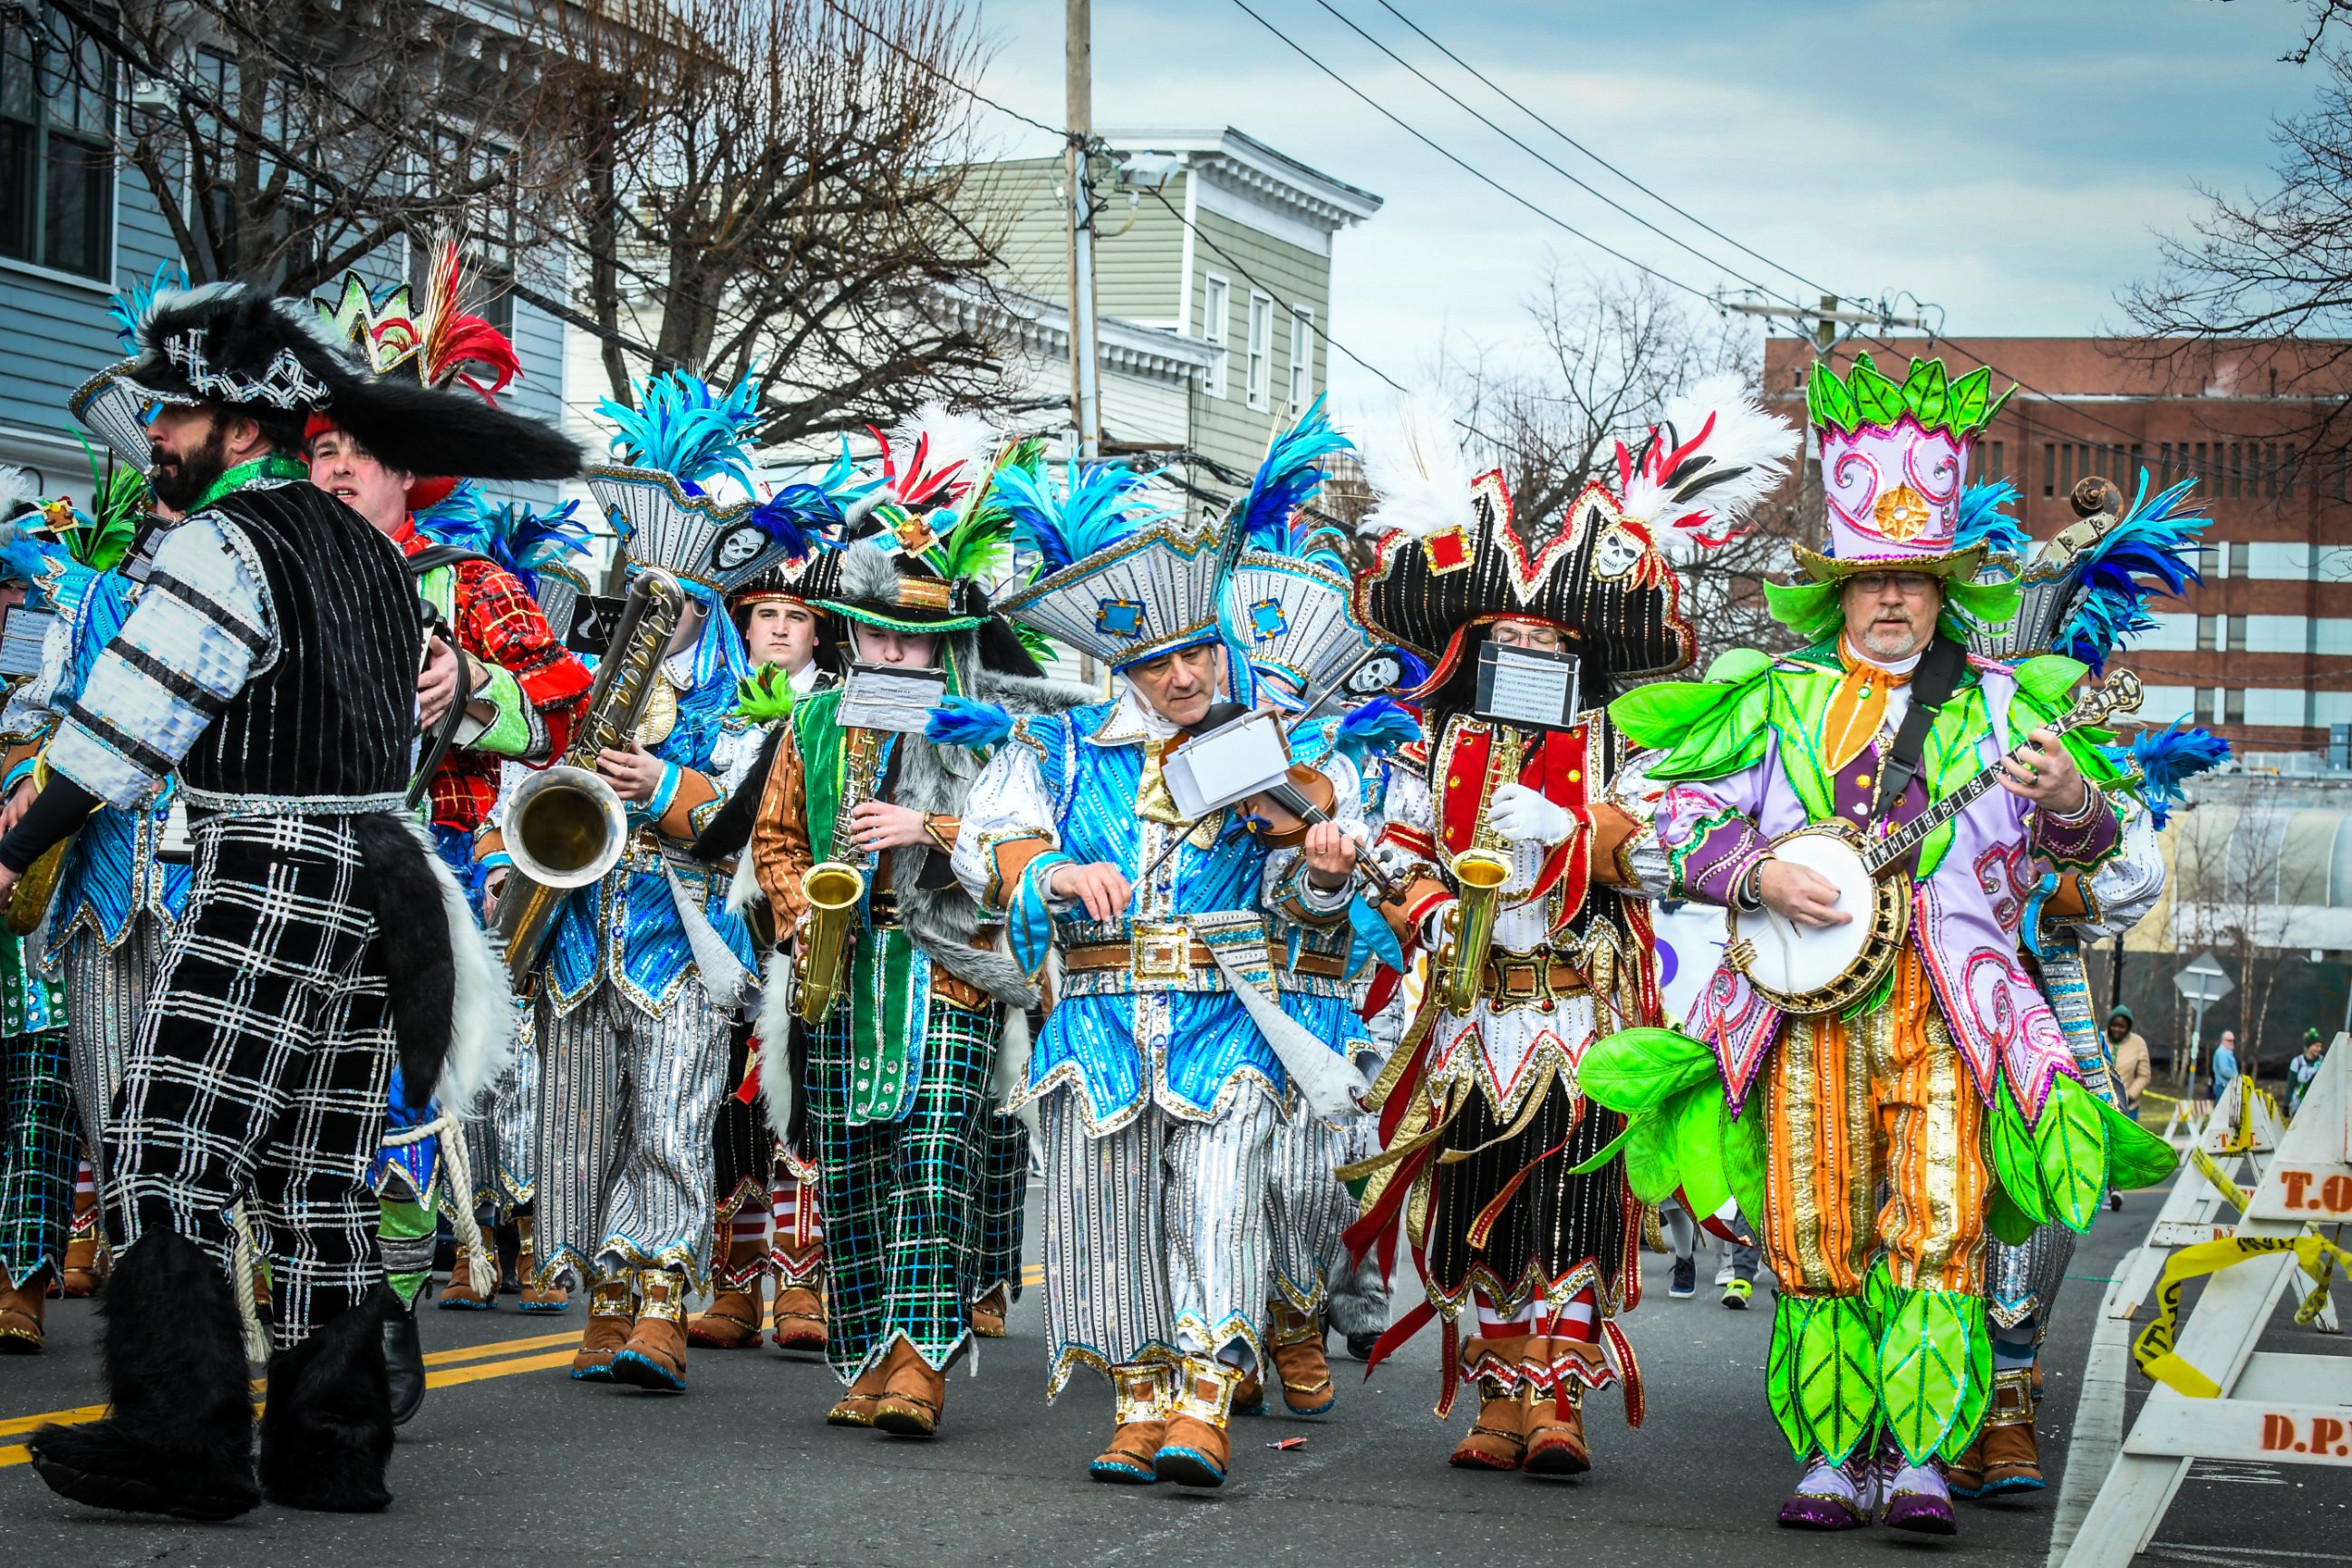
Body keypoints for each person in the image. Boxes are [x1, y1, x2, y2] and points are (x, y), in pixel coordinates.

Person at [2, 282, 568, 1518]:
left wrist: (17, 841)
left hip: (272, 868)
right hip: (385, 878)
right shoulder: (374, 552)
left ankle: (182, 1440)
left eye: (176, 414)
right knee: (317, 1171)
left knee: (167, 1152)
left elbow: (127, 723)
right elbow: (418, 725)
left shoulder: (227, 541)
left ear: (239, 427)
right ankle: (331, 1443)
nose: (156, 433)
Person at [1599, 354, 2178, 1536]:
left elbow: (2089, 840)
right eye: (1869, 581)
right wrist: (1755, 871)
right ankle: (1828, 1450)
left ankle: (1917, 1451)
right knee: (1811, 1232)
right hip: (1804, 1011)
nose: (1890, 601)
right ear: (1835, 592)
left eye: (1911, 581)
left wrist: (2067, 789)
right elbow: (1666, 808)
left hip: (1946, 1008)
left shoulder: (2007, 704)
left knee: (1935, 1226)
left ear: (1939, 590)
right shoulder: (1772, 698)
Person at [1345, 379, 1794, 1479]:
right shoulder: (1427, 746)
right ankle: (1500, 1394)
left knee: (1572, 1188)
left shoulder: (1620, 742)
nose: (1528, 655)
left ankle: (1561, 1397)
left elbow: (1662, 843)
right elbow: (1392, 855)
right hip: (1469, 1010)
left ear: (1582, 650)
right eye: (1506, 640)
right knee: (1472, 1196)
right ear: (1468, 644)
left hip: (1584, 1001)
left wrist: (1577, 828)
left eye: (1549, 641)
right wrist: (1439, 908)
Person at [955, 444, 1371, 1488]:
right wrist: (1050, 867)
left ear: (1223, 648)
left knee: (1218, 1201)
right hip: (1095, 1013)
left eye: (1198, 656)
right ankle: (1139, 1399)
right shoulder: (1056, 746)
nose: (1184, 678)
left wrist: (1321, 869)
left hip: (1224, 1012)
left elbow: (1308, 889)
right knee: (1106, 1210)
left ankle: (1204, 1392)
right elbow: (989, 837)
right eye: (1156, 664)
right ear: (1119, 667)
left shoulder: (1271, 753)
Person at [752, 430, 1095, 1437]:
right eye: (875, 637)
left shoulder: (994, 726)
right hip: (844, 969)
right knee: (851, 1167)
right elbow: (776, 837)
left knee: (936, 1158)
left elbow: (1028, 836)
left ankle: (920, 1359)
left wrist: (929, 827)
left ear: (945, 643)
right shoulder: (809, 728)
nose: (893, 653)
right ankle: (864, 1357)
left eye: (912, 640)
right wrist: (804, 912)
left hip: (951, 964)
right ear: (851, 637)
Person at [305, 247, 595, 1416]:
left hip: (431, 867)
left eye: (356, 453)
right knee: (305, 1088)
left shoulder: (469, 579)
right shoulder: (274, 567)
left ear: (408, 470)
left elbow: (564, 706)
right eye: (321, 449)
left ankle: (385, 1302)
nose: (333, 470)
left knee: (400, 1089)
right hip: (292, 859)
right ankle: (311, 1301)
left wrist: (474, 684)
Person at [519, 370, 778, 1395]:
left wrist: (664, 782)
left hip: (683, 937)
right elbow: (522, 770)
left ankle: (664, 1294)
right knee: (581, 1116)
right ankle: (604, 1293)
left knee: (674, 1114)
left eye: (674, 598)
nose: (654, 610)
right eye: (643, 591)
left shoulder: (744, 686)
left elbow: (751, 809)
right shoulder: (578, 671)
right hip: (580, 927)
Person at [684, 547, 846, 1355]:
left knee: (797, 1096)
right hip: (708, 933)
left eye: (797, 617)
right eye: (765, 615)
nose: (779, 629)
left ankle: (803, 1282)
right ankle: (736, 1283)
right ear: (742, 626)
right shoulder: (707, 707)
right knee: (723, 1107)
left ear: (820, 635)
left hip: (798, 926)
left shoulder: (834, 713)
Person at [2109, 1006, 2153, 1114]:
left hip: (2128, 1108)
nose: (2117, 1029)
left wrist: (2129, 1097)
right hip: (2101, 1104)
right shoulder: (2099, 1039)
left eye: (2122, 1026)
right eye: (2114, 1025)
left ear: (2128, 1028)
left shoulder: (2138, 1043)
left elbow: (2144, 1076)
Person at [2289, 1029, 2327, 1116]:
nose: (2319, 1049)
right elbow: (2291, 1085)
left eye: (2320, 1046)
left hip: (2316, 1104)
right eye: (2316, 1046)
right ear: (2309, 1046)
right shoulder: (2297, 1062)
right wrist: (2286, 1104)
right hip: (2298, 1103)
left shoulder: (2323, 1061)